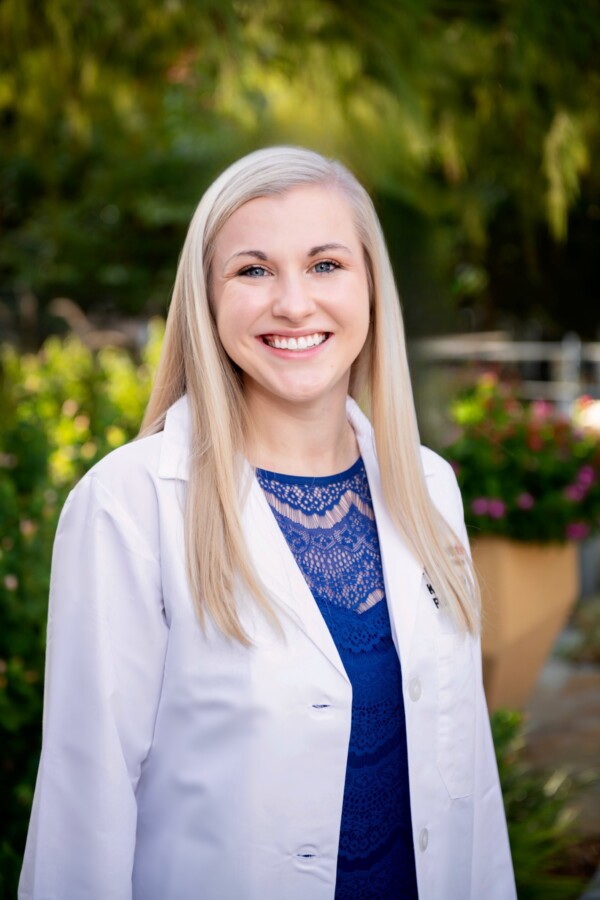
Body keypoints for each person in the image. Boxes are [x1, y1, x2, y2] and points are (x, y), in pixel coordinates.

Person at [19, 146, 516, 900]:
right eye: (253, 270)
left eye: (325, 264)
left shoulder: (431, 489)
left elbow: (470, 789)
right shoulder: (130, 503)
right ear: (207, 299)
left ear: (372, 288)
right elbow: (83, 815)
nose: (292, 303)